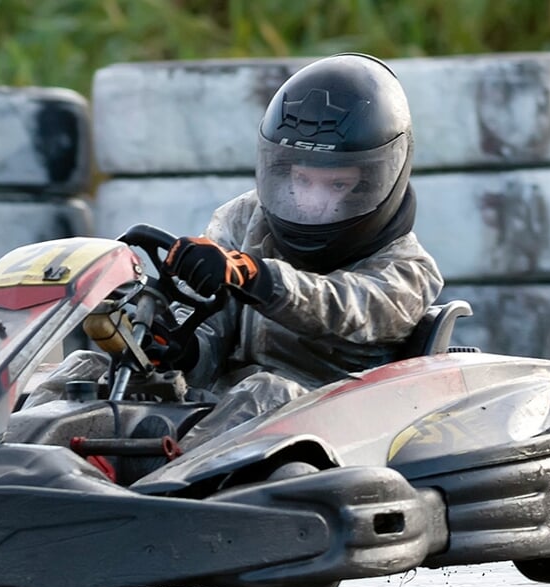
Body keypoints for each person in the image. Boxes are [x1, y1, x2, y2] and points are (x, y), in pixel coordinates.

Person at [33, 52, 444, 450]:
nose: (313, 203)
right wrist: (179, 346)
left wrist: (256, 277)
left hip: (336, 424)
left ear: (376, 180)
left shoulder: (408, 269)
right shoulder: (244, 219)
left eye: (336, 185)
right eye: (302, 180)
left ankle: (162, 493)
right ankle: (3, 468)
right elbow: (207, 319)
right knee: (85, 368)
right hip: (223, 410)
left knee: (266, 390)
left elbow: (343, 308)